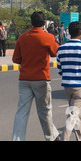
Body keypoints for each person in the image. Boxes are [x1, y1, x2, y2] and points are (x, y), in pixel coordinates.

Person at [11, 11, 60, 141]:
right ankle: (51, 137)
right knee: (45, 111)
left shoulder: (22, 37)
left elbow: (16, 59)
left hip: (24, 79)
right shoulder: (48, 37)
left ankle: (17, 139)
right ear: (44, 23)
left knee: (21, 111)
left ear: (31, 22)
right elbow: (55, 52)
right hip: (41, 79)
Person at [57, 21, 81, 141]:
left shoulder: (61, 49)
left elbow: (60, 70)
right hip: (79, 87)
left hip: (67, 86)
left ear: (68, 32)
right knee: (73, 115)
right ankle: (65, 138)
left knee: (74, 113)